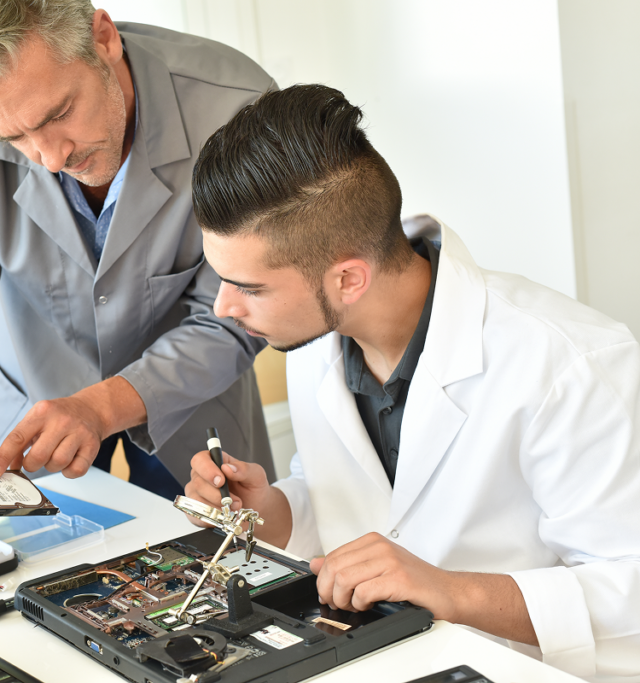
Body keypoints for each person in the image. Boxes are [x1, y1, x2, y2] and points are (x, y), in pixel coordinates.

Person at [184, 84, 640, 679]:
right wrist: (272, 510)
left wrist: (449, 590)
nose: (222, 307)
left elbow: (629, 585)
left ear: (348, 278)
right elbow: (351, 501)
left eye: (248, 286)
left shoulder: (570, 361)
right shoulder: (314, 337)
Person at [0, 0, 277, 504]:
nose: (51, 159)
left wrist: (102, 405)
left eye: (58, 114)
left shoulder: (239, 109)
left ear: (103, 37)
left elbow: (242, 312)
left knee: (220, 564)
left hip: (189, 402)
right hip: (36, 409)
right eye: (14, 139)